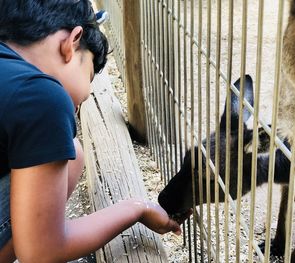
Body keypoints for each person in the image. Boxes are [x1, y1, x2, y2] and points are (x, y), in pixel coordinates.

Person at [0, 1, 186, 262]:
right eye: (88, 74)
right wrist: (134, 209)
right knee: (73, 155)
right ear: (73, 41)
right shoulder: (41, 96)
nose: (81, 101)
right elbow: (42, 251)